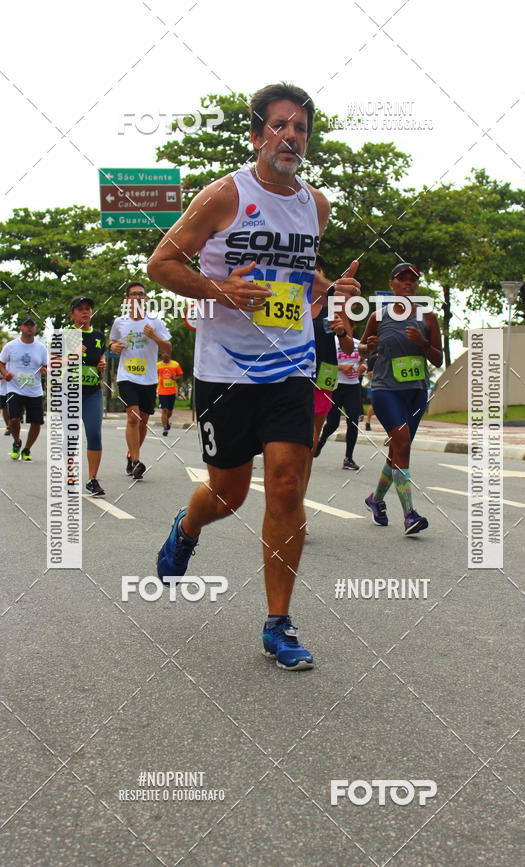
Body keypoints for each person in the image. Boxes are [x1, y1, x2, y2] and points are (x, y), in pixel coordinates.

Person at [147, 81, 360, 670]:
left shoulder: (316, 205)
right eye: (280, 126)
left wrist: (324, 285)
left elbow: (297, 265)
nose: (290, 136)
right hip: (224, 371)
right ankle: (187, 527)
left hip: (291, 364)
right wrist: (218, 289)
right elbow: (160, 263)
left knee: (288, 485)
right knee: (228, 494)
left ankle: (278, 623)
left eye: (300, 129)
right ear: (256, 135)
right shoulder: (223, 196)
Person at [360, 263, 442, 535]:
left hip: (417, 391)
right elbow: (362, 348)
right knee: (402, 441)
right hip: (386, 390)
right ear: (392, 284)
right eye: (402, 279)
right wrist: (368, 347)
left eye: (413, 280)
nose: (408, 283)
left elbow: (439, 358)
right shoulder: (378, 317)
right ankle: (409, 514)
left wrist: (423, 343)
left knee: (398, 449)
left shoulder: (427, 317)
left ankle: (376, 500)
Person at [109, 283, 171, 479]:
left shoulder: (155, 322)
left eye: (141, 295)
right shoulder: (120, 322)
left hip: (149, 378)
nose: (138, 297)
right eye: (134, 294)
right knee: (132, 417)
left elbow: (168, 348)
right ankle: (136, 461)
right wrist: (114, 347)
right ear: (127, 300)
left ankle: (131, 455)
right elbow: (112, 342)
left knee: (143, 421)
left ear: (146, 299)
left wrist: (153, 336)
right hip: (127, 376)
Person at [310, 255, 354, 455]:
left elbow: (348, 348)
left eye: (319, 268)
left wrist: (341, 331)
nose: (315, 272)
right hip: (293, 374)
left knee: (311, 441)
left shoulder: (333, 306)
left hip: (324, 373)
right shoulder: (290, 302)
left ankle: (302, 484)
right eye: (311, 267)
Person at [68, 297, 107, 496]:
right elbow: (53, 363)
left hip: (93, 392)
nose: (85, 312)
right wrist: (72, 356)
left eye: (88, 308)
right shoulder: (66, 336)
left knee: (93, 434)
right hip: (70, 393)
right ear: (72, 314)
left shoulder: (99, 335)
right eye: (80, 309)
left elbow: (102, 354)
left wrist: (102, 362)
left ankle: (92, 479)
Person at [0, 315, 48, 461]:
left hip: (35, 390)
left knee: (36, 422)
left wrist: (45, 370)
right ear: (21, 327)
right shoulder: (11, 346)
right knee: (13, 420)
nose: (29, 328)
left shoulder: (41, 347)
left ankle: (27, 449)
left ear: (35, 328)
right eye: (26, 325)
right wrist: (5, 373)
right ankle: (17, 441)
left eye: (32, 325)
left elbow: (45, 365)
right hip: (15, 388)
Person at [315, 332, 365, 469]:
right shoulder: (332, 341)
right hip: (335, 385)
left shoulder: (357, 343)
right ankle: (320, 442)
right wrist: (341, 367)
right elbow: (321, 363)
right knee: (333, 423)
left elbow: (362, 360)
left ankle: (348, 458)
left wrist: (362, 367)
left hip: (353, 387)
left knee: (353, 422)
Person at [157, 352, 183, 436]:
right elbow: (153, 376)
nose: (165, 355)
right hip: (162, 391)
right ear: (161, 356)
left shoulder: (175, 364)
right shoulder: (157, 365)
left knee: (170, 411)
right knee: (164, 410)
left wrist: (175, 378)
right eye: (164, 354)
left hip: (172, 391)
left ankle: (166, 421)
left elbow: (180, 375)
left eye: (167, 354)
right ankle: (165, 428)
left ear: (170, 355)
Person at [0, 364, 11, 434]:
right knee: (5, 409)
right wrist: (5, 376)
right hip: (4, 391)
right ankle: (9, 427)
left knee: (18, 408)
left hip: (16, 390)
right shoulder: (1, 364)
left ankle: (12, 424)